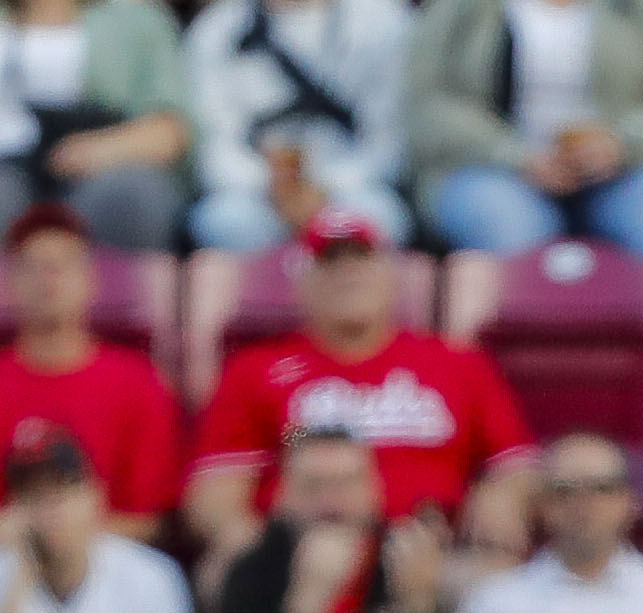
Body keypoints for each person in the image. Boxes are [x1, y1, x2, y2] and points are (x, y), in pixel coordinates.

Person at [185, 210, 539, 602]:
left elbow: (516, 466)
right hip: (305, 557)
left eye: (361, 259)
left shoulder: (457, 363)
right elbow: (213, 493)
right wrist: (258, 547)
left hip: (433, 550)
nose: (348, 273)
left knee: (499, 584)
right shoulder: (258, 371)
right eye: (330, 262)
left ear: (389, 274)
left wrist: (501, 495)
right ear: (302, 284)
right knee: (225, 574)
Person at [406, 0, 643, 261]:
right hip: (495, 171)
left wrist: (623, 143)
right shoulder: (457, 10)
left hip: (633, 170)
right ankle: (524, 349)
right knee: (508, 230)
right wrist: (517, 156)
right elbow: (426, 105)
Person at [0, 202, 175, 539]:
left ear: (91, 278)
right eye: (32, 267)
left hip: (108, 561)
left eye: (61, 266)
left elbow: (147, 520)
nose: (47, 280)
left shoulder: (135, 381)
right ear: (11, 282)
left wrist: (65, 540)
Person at [182, 0, 412, 254]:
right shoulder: (218, 26)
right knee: (222, 223)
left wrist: (326, 186)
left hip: (348, 187)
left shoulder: (383, 20)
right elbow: (213, 145)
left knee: (381, 221)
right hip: (256, 192)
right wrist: (272, 185)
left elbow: (390, 141)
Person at [457, 430, 643, 613]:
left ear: (631, 502)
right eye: (566, 491)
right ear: (543, 505)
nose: (584, 504)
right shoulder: (496, 605)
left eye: (601, 488)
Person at [0, 0, 187, 251]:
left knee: (132, 197)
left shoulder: (136, 20)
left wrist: (99, 150)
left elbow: (169, 132)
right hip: (9, 163)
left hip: (102, 159)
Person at [212, 421, 446, 613]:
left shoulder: (404, 559)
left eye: (346, 483)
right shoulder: (254, 565)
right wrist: (308, 600)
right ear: (283, 495)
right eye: (313, 485)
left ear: (374, 489)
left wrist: (417, 600)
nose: (330, 502)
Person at [0, 417, 185, 613]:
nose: (50, 510)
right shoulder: (6, 578)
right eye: (34, 495)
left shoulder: (149, 579)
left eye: (61, 492)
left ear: (95, 495)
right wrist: (19, 584)